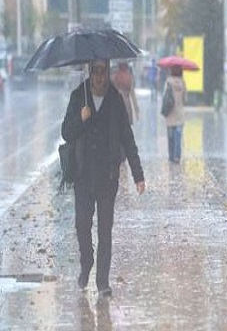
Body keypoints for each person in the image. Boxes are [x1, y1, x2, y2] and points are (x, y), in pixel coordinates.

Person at [61, 59, 145, 298]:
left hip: (108, 177)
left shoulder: (115, 100)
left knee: (105, 230)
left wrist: (138, 175)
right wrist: (82, 118)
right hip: (83, 176)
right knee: (82, 224)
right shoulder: (79, 96)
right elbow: (66, 132)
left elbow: (127, 138)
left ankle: (103, 281)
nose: (99, 76)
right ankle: (86, 262)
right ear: (90, 72)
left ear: (108, 72)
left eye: (103, 71)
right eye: (95, 71)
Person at [164, 66, 187, 163]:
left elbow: (164, 96)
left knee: (171, 137)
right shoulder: (183, 82)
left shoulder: (168, 82)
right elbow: (185, 98)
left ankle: (171, 156)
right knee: (178, 135)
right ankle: (177, 156)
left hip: (170, 114)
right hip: (179, 113)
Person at [111, 61, 139, 125]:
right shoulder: (129, 76)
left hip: (116, 102)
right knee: (126, 124)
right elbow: (132, 93)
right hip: (126, 102)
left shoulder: (115, 76)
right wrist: (136, 108)